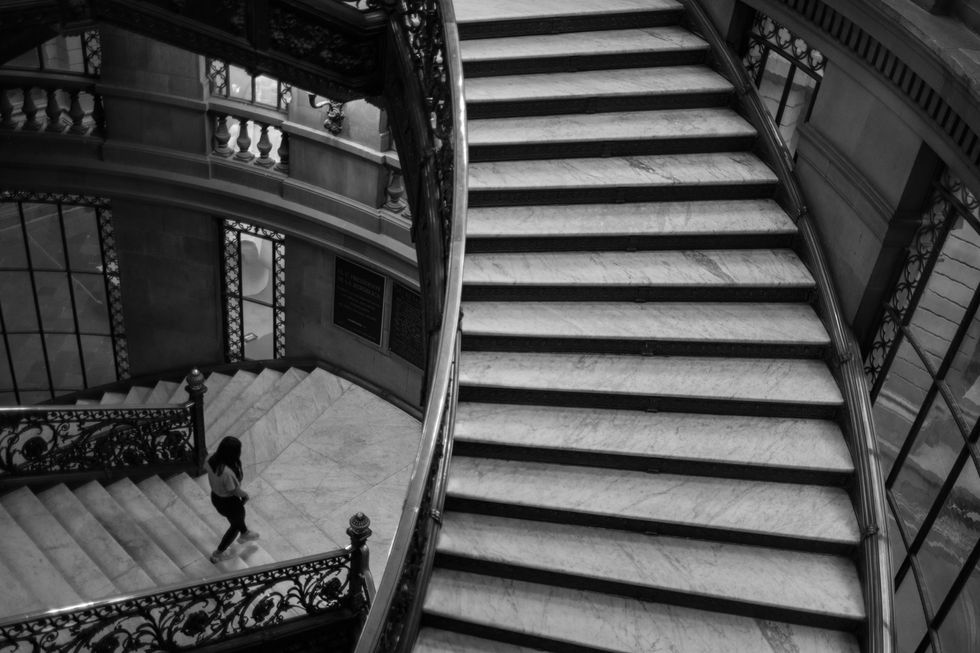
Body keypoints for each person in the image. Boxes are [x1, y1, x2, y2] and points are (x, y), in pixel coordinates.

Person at [205, 436, 259, 562]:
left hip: (216, 497)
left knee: (237, 521)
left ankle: (244, 534)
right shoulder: (227, 473)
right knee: (235, 526)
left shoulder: (210, 459)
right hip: (230, 503)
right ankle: (217, 554)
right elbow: (234, 490)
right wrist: (245, 495)